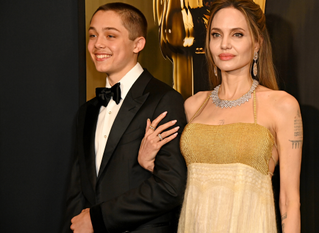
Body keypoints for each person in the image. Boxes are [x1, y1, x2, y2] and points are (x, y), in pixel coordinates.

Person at [138, 0, 302, 232]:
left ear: (257, 44)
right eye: (216, 35)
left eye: (237, 35)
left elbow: (289, 200)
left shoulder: (282, 105)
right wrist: (151, 163)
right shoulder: (193, 105)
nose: (224, 44)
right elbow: (187, 183)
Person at [61, 2, 187, 233]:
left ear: (138, 44)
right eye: (92, 35)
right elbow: (77, 190)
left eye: (110, 35)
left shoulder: (164, 99)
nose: (98, 43)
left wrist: (98, 219)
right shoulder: (86, 111)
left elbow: (170, 187)